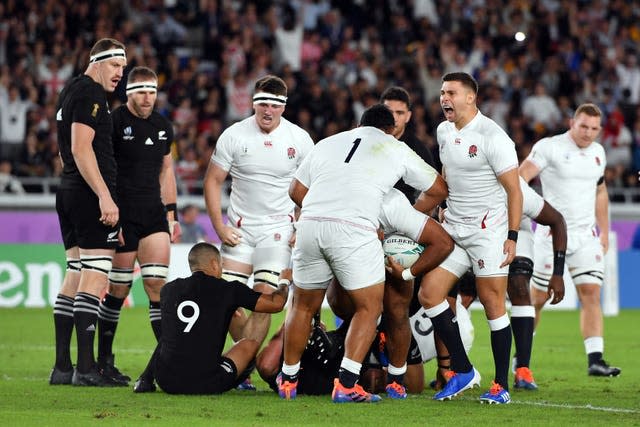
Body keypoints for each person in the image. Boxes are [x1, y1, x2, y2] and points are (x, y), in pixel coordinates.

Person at [279, 104, 446, 403]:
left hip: (310, 225)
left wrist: (324, 205)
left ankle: (288, 380)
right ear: (391, 129)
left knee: (301, 307)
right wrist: (410, 212)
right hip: (354, 229)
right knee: (370, 309)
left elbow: (295, 191)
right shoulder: (393, 148)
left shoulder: (328, 142)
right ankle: (345, 384)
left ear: (358, 125)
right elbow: (438, 189)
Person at [417, 72, 523, 404]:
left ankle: (501, 385)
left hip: (487, 232)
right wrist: (444, 206)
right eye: (441, 93)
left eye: (451, 93)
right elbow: (448, 173)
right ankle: (463, 370)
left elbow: (514, 191)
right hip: (454, 230)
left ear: (470, 97)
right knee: (429, 295)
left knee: (493, 306)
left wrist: (512, 237)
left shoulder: (494, 137)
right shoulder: (444, 130)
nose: (444, 98)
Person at [203, 74, 314, 338]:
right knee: (227, 302)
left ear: (284, 107)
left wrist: (303, 226)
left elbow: (312, 189)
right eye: (263, 103)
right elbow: (212, 180)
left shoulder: (299, 139)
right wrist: (219, 227)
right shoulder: (234, 135)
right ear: (253, 103)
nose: (268, 110)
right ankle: (245, 362)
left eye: (275, 105)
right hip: (239, 231)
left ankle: (241, 364)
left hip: (278, 230)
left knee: (265, 299)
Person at [519, 103, 621, 377]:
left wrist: (604, 229)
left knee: (592, 295)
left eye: (594, 129)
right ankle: (522, 360)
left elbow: (600, 192)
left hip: (586, 237)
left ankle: (595, 360)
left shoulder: (598, 153)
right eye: (584, 126)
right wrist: (527, 214)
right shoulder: (550, 147)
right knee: (537, 299)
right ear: (572, 123)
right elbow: (521, 178)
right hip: (551, 236)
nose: (588, 133)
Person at [95, 66, 181, 385]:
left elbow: (166, 171)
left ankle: (166, 360)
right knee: (117, 289)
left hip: (153, 215)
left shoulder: (162, 126)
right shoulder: (114, 122)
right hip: (122, 215)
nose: (148, 98)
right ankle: (104, 360)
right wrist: (110, 211)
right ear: (128, 93)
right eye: (142, 92)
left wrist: (171, 214)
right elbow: (104, 168)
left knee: (158, 287)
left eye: (152, 92)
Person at [49, 38, 127, 386]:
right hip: (86, 194)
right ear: (97, 61)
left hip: (69, 190)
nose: (119, 74)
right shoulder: (91, 94)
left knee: (76, 272)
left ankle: (63, 368)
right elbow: (81, 150)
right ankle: (85, 368)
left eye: (123, 68)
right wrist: (104, 197)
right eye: (115, 66)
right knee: (95, 275)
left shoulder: (69, 92)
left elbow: (65, 153)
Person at [132, 242, 290, 394]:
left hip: (167, 381)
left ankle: (145, 379)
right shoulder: (228, 290)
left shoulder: (169, 290)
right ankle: (242, 378)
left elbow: (165, 338)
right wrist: (284, 281)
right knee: (248, 344)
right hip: (207, 382)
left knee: (173, 337)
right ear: (214, 264)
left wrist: (147, 376)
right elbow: (276, 304)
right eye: (221, 265)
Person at [508, 177, 567, 390]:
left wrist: (557, 274)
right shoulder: (467, 177)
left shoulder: (519, 190)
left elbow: (557, 220)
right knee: (460, 292)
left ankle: (522, 369)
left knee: (520, 285)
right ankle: (449, 367)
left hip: (516, 232)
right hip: (474, 230)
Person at [380, 86, 438, 202]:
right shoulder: (368, 141)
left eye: (400, 113)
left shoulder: (418, 150)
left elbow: (435, 190)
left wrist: (412, 215)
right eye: (389, 112)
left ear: (408, 116)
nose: (394, 118)